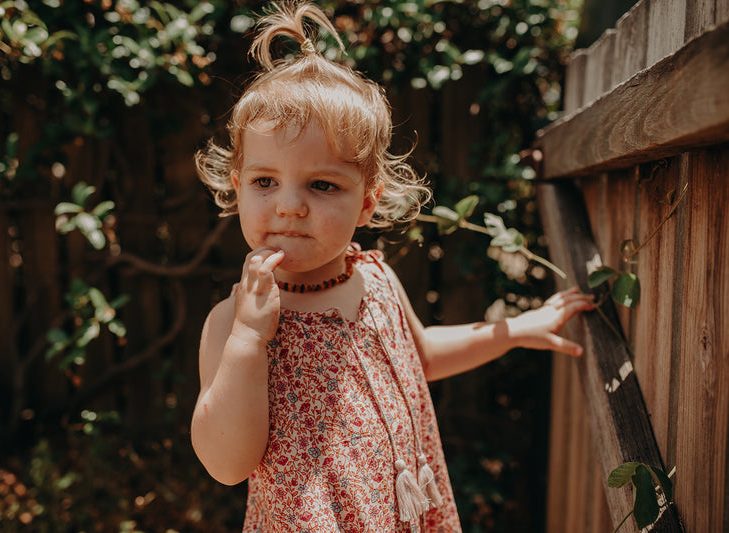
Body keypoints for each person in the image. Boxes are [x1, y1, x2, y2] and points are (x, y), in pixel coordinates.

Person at [190, 2, 594, 531]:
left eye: (322, 184)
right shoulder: (232, 321)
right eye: (266, 182)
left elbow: (418, 358)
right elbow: (226, 464)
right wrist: (248, 338)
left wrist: (512, 330)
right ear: (238, 188)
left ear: (366, 203)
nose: (289, 205)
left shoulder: (375, 278)